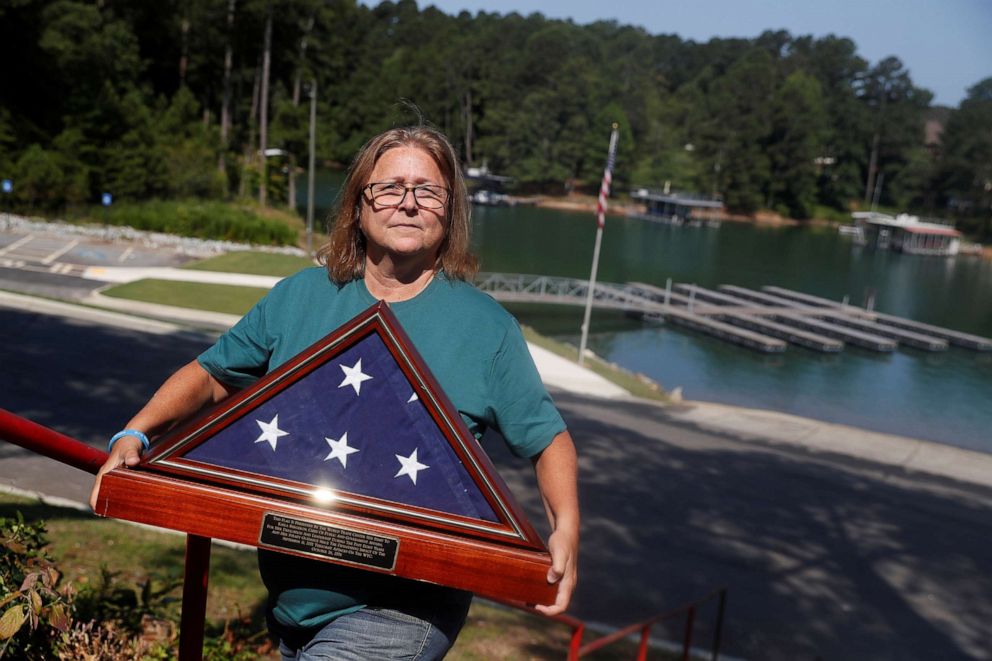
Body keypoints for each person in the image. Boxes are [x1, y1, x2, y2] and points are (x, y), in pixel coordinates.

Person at [90, 125, 579, 660]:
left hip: (404, 611)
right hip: (291, 605)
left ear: (450, 210)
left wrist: (566, 531)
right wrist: (135, 432)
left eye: (428, 191)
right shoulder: (300, 297)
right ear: (359, 206)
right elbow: (211, 374)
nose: (409, 204)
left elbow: (547, 439)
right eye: (390, 188)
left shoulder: (487, 329)